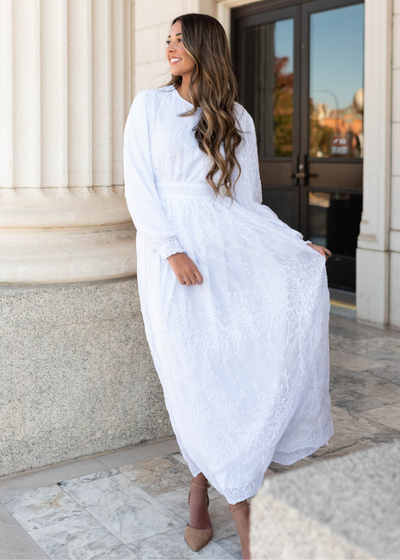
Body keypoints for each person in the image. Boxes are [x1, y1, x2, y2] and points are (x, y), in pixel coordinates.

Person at [123, 13, 334, 560]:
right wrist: (171, 249)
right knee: (192, 378)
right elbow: (140, 188)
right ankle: (237, 510)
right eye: (166, 40)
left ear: (203, 47)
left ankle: (207, 488)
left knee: (228, 375)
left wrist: (295, 245)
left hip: (228, 252)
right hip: (173, 261)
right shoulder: (148, 107)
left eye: (179, 40)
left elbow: (249, 203)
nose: (169, 47)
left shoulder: (236, 116)